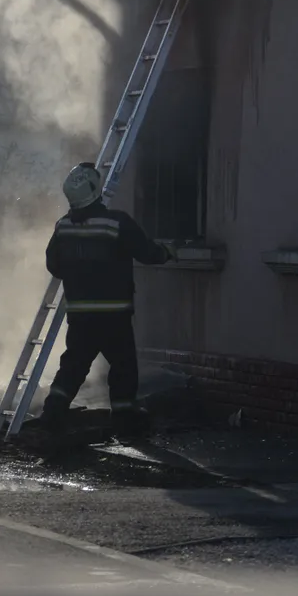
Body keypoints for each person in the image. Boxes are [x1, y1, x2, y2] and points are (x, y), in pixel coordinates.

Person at [27, 162, 175, 441]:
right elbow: (147, 252)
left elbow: (54, 265)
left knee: (72, 367)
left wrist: (78, 274)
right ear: (95, 190)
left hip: (80, 316)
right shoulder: (115, 223)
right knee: (123, 367)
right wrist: (168, 252)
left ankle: (51, 417)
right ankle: (124, 421)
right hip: (114, 315)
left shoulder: (63, 227)